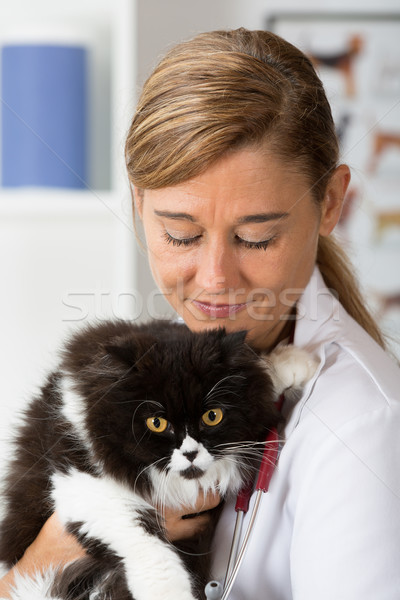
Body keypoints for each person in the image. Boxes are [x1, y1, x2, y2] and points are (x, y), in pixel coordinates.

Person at [1, 27, 399, 600]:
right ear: (138, 204)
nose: (214, 282)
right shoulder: (165, 363)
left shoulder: (365, 427)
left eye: (257, 238)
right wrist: (41, 563)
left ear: (331, 201)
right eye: (180, 235)